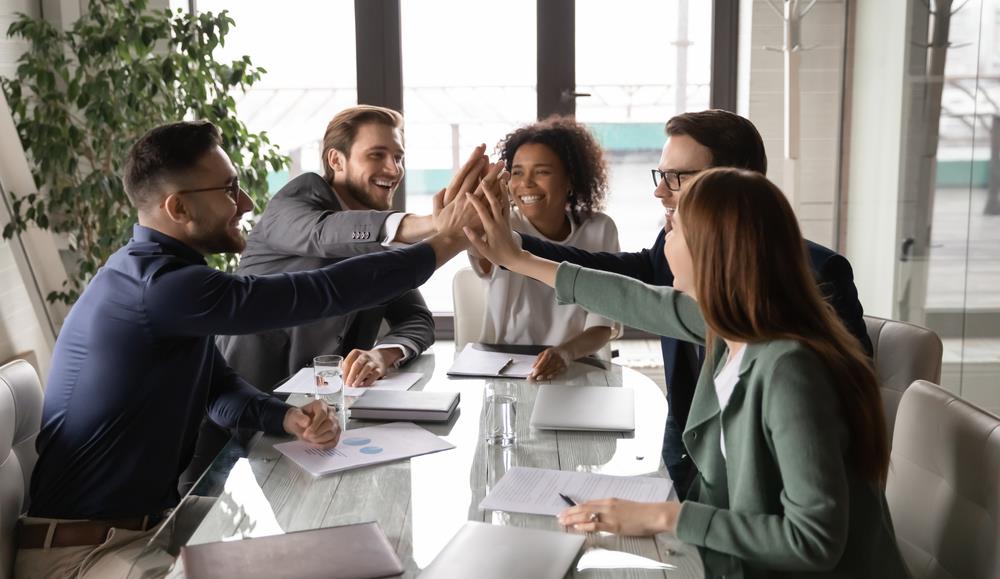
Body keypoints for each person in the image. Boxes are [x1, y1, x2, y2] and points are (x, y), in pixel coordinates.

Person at [14, 120, 484, 579]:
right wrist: (443, 241)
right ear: (178, 208)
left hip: (150, 527)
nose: (246, 202)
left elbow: (217, 387)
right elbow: (314, 292)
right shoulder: (162, 287)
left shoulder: (155, 277)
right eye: (229, 189)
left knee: (337, 543)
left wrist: (285, 418)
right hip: (85, 557)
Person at [465, 167, 909, 578]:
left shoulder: (788, 369)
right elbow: (632, 298)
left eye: (673, 227)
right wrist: (516, 258)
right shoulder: (732, 325)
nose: (663, 241)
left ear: (713, 249)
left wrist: (666, 516)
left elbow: (813, 541)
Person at [509, 109, 872, 497]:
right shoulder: (680, 250)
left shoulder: (812, 282)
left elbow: (841, 415)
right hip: (686, 458)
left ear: (732, 184)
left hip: (764, 493)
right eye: (660, 174)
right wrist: (513, 246)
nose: (659, 191)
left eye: (677, 177)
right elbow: (622, 286)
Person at [219, 106, 487, 391]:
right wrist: (435, 223)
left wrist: (382, 354)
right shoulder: (295, 201)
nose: (394, 169)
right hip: (246, 402)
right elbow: (324, 233)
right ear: (336, 160)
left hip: (330, 407)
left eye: (399, 158)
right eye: (377, 155)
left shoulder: (381, 237)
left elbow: (417, 318)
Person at [468, 117, 620, 380]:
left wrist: (563, 354)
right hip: (505, 366)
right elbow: (483, 259)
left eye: (542, 172)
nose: (526, 183)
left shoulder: (600, 229)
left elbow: (603, 325)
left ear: (570, 181)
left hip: (577, 366)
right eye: (517, 172)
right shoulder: (501, 224)